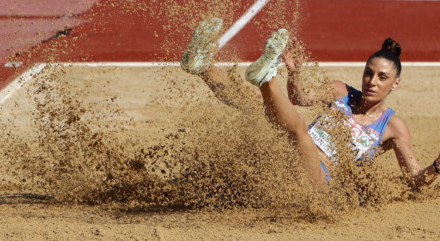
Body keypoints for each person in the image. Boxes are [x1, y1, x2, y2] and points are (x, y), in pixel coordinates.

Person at [180, 18, 440, 189]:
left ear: (395, 84)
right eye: (368, 73)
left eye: (382, 78)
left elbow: (415, 181)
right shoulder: (341, 91)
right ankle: (203, 66)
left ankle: (267, 79)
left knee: (300, 132)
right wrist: (294, 73)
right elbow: (299, 98)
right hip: (288, 159)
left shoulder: (394, 126)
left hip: (320, 184)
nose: (372, 82)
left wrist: (437, 167)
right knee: (257, 104)